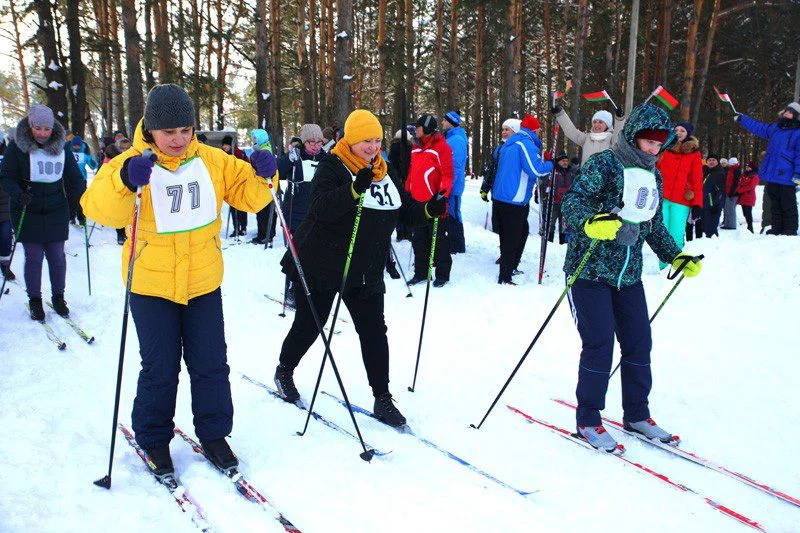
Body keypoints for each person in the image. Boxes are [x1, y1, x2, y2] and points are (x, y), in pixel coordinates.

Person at [80, 84, 277, 475]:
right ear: (151, 130)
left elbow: (252, 197)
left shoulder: (213, 160)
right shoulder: (134, 161)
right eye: (169, 132)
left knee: (210, 362)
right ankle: (153, 439)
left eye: (185, 130)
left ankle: (214, 434)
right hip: (151, 286)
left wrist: (265, 176)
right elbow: (98, 208)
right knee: (160, 366)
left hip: (203, 281)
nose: (178, 139)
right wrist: (123, 178)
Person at [272, 109, 442, 427]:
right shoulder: (333, 166)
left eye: (377, 139)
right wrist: (352, 191)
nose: (372, 146)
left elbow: (403, 209)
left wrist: (428, 210)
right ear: (350, 140)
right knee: (311, 324)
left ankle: (382, 398)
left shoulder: (382, 170)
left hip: (365, 266)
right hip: (323, 263)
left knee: (374, 331)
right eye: (366, 140)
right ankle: (284, 369)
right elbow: (320, 208)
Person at [561, 103, 702, 452]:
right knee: (599, 345)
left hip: (628, 276)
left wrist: (676, 256)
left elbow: (651, 224)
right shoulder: (604, 164)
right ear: (634, 135)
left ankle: (637, 415)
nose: (655, 148)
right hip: (589, 272)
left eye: (660, 143)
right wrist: (591, 223)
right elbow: (572, 205)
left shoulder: (653, 174)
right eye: (649, 141)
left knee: (639, 343)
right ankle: (589, 420)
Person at [0, 105, 86, 320]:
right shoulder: (17, 147)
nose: (42, 133)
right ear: (30, 126)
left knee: (57, 256)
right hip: (27, 208)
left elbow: (74, 178)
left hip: (56, 207)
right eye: (38, 128)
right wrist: (19, 194)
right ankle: (35, 300)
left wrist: (82, 203)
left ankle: (58, 297)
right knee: (34, 256)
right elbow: (6, 177)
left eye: (46, 129)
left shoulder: (62, 147)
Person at [490, 114, 553, 285]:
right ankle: (505, 276)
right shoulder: (525, 143)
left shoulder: (510, 143)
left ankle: (510, 266)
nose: (540, 132)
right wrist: (550, 164)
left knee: (518, 233)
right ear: (533, 129)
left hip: (502, 197)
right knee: (512, 238)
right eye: (538, 129)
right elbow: (536, 170)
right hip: (513, 199)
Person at [735, 102, 800, 235]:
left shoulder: (798, 132)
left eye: (791, 111)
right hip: (772, 174)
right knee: (774, 204)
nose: (787, 112)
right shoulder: (776, 128)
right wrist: (743, 119)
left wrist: (798, 173)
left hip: (787, 176)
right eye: (786, 110)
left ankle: (790, 229)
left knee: (788, 204)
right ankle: (777, 228)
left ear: (796, 116)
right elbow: (759, 127)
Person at [406, 114, 454, 287]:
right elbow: (412, 173)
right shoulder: (416, 147)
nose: (415, 129)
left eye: (418, 127)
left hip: (434, 202)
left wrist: (442, 197)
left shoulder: (442, 147)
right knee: (419, 240)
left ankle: (442, 274)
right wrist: (407, 193)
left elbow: (447, 175)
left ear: (425, 128)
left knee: (438, 241)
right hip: (417, 202)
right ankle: (421, 272)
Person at [655, 121, 703, 267]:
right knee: (661, 233)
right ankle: (663, 267)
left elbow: (697, 180)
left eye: (682, 130)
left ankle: (676, 265)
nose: (678, 132)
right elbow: (655, 170)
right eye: (676, 130)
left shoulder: (694, 154)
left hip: (681, 200)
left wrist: (697, 204)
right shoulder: (664, 148)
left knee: (675, 234)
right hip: (662, 197)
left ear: (688, 134)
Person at [552, 105, 625, 165]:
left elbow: (619, 134)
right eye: (594, 122)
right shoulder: (587, 138)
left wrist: (619, 119)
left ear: (607, 125)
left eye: (600, 122)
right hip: (587, 178)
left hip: (605, 179)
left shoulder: (611, 139)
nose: (596, 124)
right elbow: (571, 132)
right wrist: (560, 114)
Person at [442, 110, 467, 254]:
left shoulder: (456, 139)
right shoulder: (451, 137)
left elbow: (455, 165)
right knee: (450, 213)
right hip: (450, 185)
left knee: (454, 213)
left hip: (453, 186)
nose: (442, 123)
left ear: (451, 122)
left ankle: (458, 245)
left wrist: (448, 186)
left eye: (445, 121)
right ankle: (452, 243)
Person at [249, 129, 278, 245]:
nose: (254, 141)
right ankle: (263, 234)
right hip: (261, 187)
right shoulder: (262, 149)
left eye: (256, 138)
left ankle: (267, 235)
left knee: (265, 213)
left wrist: (256, 155)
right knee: (261, 212)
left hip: (266, 187)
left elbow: (263, 169)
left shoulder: (265, 151)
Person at [221, 134, 250, 238]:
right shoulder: (223, 156)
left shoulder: (240, 154)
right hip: (230, 186)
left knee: (241, 207)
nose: (224, 147)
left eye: (226, 145)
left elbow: (248, 167)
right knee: (233, 208)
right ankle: (236, 227)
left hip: (240, 184)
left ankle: (243, 227)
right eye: (223, 145)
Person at [544, 153, 577, 244]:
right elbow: (544, 183)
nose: (565, 162)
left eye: (566, 161)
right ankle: (548, 242)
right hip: (553, 202)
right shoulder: (552, 171)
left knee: (565, 226)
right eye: (563, 161)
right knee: (550, 224)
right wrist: (542, 195)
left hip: (566, 203)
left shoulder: (571, 172)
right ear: (558, 162)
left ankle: (563, 243)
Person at [702, 154, 727, 238]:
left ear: (717, 162)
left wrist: (716, 204)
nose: (711, 162)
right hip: (705, 203)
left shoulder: (719, 173)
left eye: (713, 160)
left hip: (713, 204)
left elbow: (721, 190)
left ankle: (712, 243)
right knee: (706, 226)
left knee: (711, 228)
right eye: (709, 160)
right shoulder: (708, 172)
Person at [735, 161, 760, 233]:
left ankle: (750, 227)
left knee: (748, 212)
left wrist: (740, 190)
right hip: (743, 196)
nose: (747, 168)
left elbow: (751, 186)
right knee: (745, 213)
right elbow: (740, 183)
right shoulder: (745, 174)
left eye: (748, 167)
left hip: (749, 196)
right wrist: (737, 190)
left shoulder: (755, 175)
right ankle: (749, 227)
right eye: (746, 167)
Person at [721, 156, 741, 230]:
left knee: (731, 209)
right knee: (727, 209)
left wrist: (732, 192)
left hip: (732, 193)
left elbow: (735, 183)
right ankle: (727, 224)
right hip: (729, 192)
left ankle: (731, 225)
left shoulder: (736, 170)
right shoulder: (732, 170)